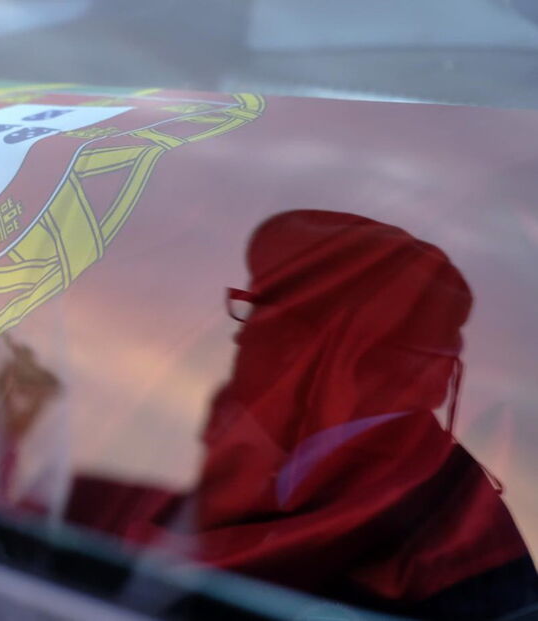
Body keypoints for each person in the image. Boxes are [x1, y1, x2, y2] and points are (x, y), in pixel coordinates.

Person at [66, 209, 537, 618]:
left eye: (264, 314)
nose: (242, 336)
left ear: (331, 351)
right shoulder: (260, 455)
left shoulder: (453, 541)